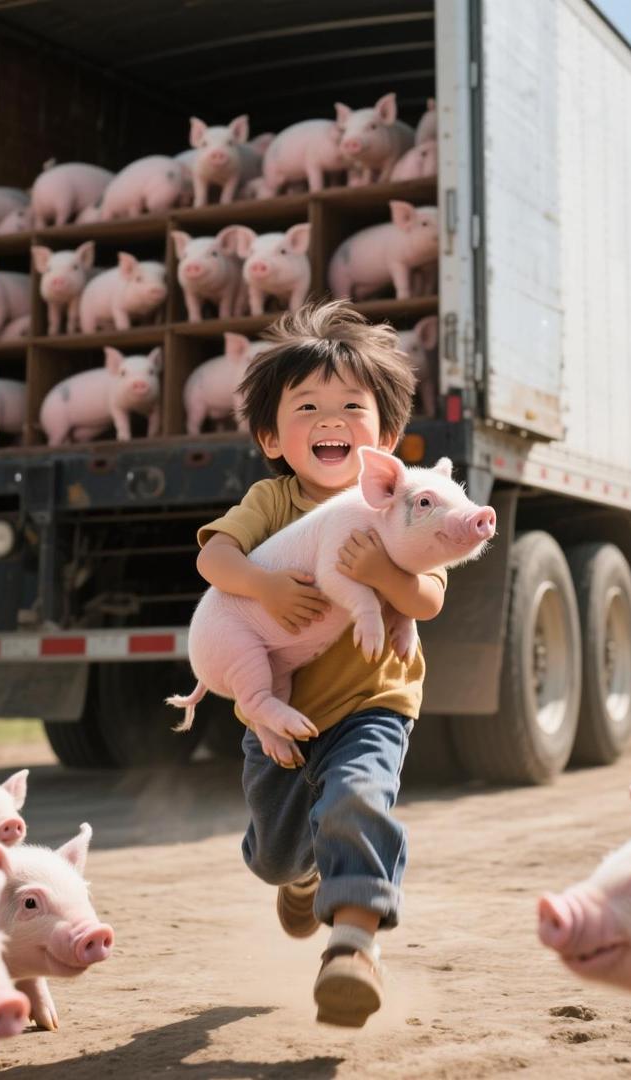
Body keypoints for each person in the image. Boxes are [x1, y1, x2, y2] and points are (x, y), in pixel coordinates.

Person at [194, 299, 445, 1027]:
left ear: (388, 436)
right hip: (278, 712)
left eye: (350, 406)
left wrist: (385, 573)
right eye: (306, 407)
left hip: (373, 705)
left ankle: (354, 948)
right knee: (275, 857)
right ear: (273, 437)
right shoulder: (272, 501)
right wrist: (265, 584)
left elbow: (426, 598)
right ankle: (300, 876)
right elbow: (215, 557)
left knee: (359, 801)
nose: (329, 420)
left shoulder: (409, 506)